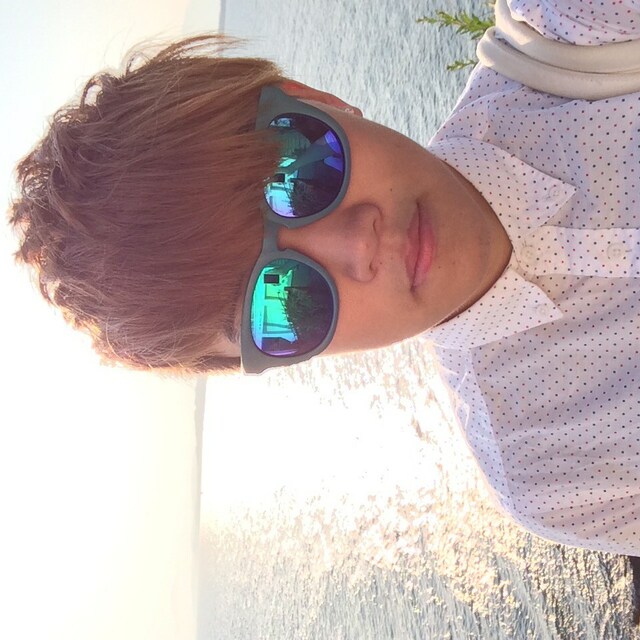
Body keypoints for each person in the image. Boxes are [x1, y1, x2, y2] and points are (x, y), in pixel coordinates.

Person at [8, 1, 640, 555]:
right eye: (279, 303)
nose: (358, 243)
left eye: (296, 171)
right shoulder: (555, 476)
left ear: (315, 97)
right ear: (288, 357)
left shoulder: (577, 27)